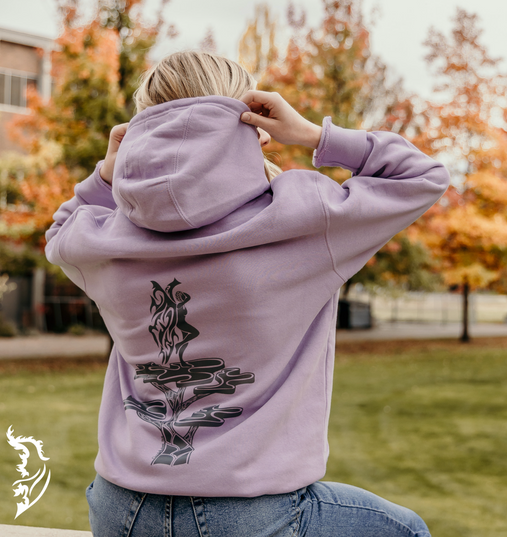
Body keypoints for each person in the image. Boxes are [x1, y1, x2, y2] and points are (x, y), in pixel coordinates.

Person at [45, 51, 449, 536]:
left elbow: (60, 232)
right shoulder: (302, 216)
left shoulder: (106, 236)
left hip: (119, 508)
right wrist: (314, 135)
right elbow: (422, 176)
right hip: (250, 515)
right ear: (250, 126)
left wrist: (105, 177)